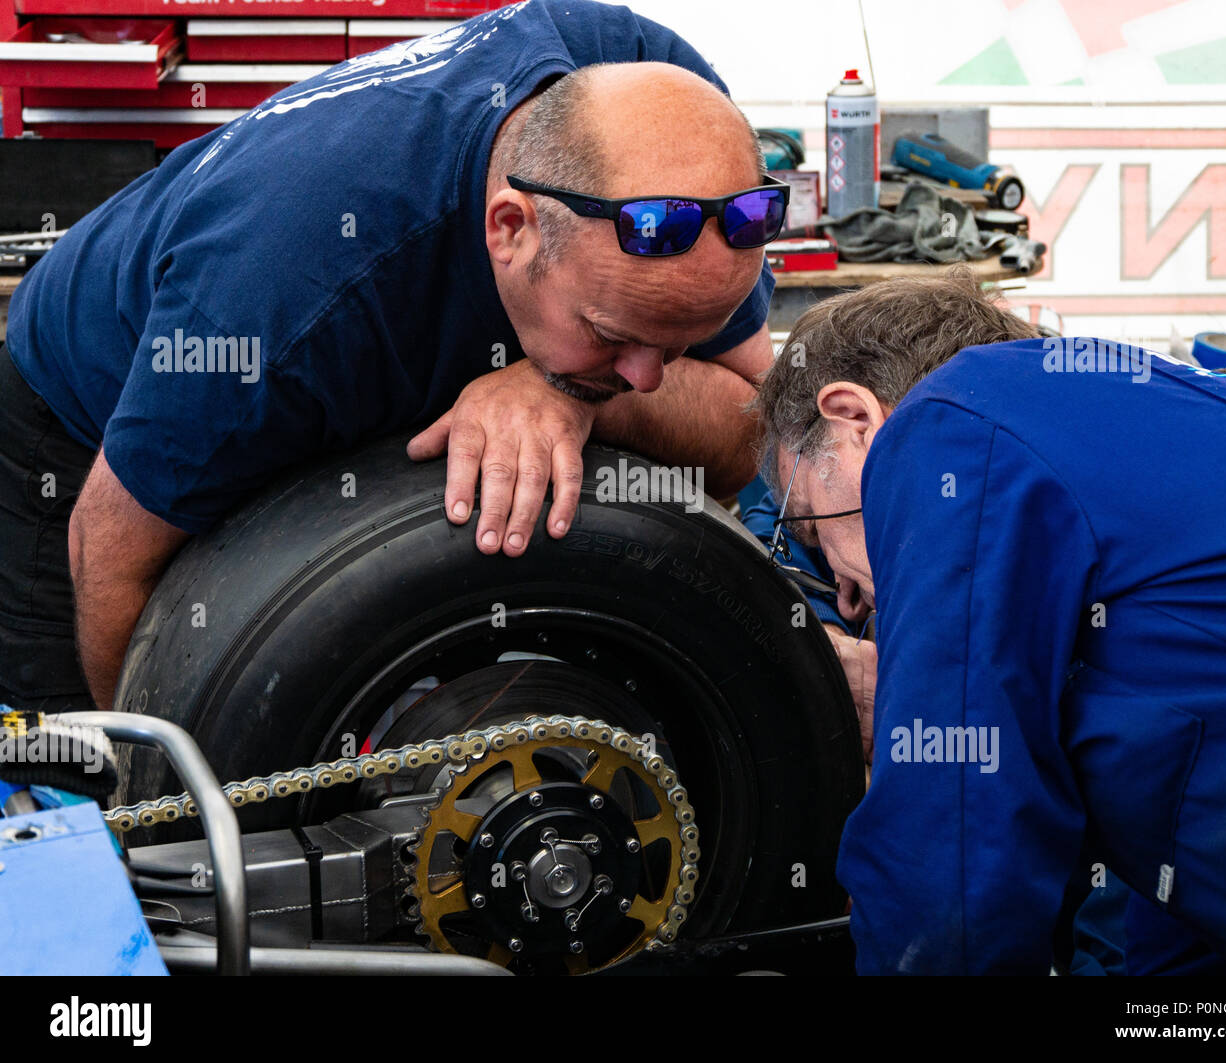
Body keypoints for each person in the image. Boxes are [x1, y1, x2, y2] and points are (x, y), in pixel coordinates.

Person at [0, 0, 784, 712]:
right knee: (98, 787)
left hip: (350, 347)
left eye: (676, 344)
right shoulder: (274, 306)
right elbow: (107, 553)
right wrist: (151, 801)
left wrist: (567, 389)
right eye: (614, 339)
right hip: (80, 429)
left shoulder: (653, 106)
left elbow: (749, 432)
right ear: (510, 229)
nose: (646, 379)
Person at [753, 269, 1226, 975]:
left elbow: (951, 858)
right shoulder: (1130, 451)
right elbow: (1188, 915)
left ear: (854, 418)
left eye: (810, 528)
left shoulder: (952, 423)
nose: (849, 601)